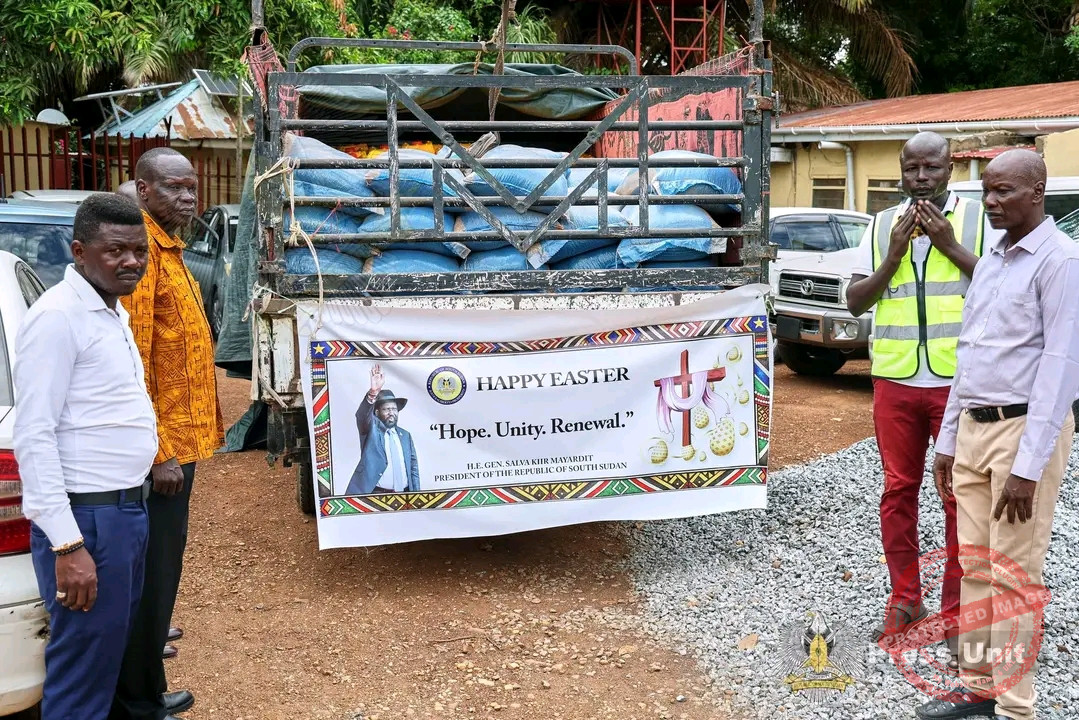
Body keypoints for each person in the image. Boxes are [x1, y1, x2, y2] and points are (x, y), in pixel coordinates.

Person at [917, 150, 1079, 720]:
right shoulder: (992, 260)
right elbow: (970, 356)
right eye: (987, 190)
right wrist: (947, 441)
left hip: (1022, 434)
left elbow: (1061, 369)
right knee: (978, 567)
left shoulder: (1060, 262)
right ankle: (977, 689)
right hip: (974, 432)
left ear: (1038, 191)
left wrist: (1028, 468)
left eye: (1004, 191)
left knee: (1014, 574)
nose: (990, 201)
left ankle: (1015, 708)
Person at [846, 132, 990, 657]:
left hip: (960, 382)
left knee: (959, 498)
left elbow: (1000, 286)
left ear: (951, 168)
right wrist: (893, 255)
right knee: (897, 492)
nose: (921, 178)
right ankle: (906, 599)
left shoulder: (977, 219)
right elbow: (856, 301)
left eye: (932, 168)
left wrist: (950, 245)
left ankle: (955, 613)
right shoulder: (883, 224)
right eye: (912, 169)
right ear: (901, 170)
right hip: (896, 380)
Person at [13, 194, 157, 720]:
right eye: (115, 250)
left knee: (103, 657)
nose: (132, 262)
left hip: (122, 513)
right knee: (81, 670)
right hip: (88, 522)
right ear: (79, 251)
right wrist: (68, 544)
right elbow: (34, 434)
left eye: (139, 250)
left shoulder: (108, 312)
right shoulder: (58, 317)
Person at [111, 147, 223, 720]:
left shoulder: (169, 247)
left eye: (192, 187)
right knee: (151, 577)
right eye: (175, 188)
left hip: (180, 443)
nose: (188, 197)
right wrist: (160, 454)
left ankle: (143, 684)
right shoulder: (143, 255)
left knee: (160, 574)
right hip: (164, 452)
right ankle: (138, 701)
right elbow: (138, 363)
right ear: (144, 191)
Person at [345, 364, 420, 495]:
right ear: (377, 412)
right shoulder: (371, 429)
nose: (392, 412)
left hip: (405, 495)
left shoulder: (405, 435)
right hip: (376, 495)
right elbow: (362, 416)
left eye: (394, 409)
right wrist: (373, 393)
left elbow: (413, 468)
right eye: (386, 409)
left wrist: (418, 494)